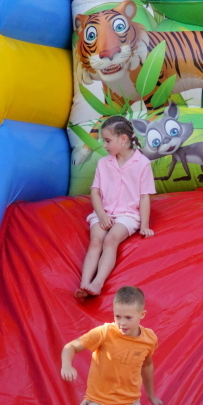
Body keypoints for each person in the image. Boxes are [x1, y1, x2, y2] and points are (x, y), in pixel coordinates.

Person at [76, 115, 156, 298]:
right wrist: (102, 215)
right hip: (104, 211)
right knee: (96, 241)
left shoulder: (142, 164)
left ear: (123, 139)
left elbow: (144, 197)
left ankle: (97, 283)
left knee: (110, 240)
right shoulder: (103, 163)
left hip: (127, 215)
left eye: (107, 141)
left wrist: (144, 226)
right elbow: (95, 192)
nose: (104, 145)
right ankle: (84, 284)